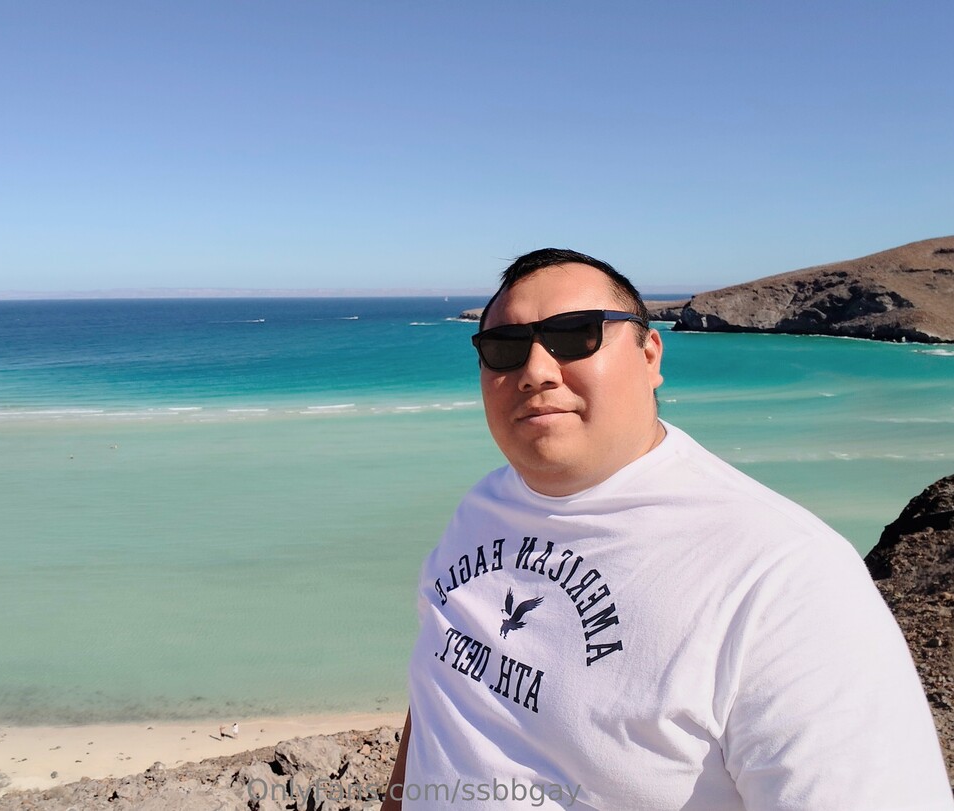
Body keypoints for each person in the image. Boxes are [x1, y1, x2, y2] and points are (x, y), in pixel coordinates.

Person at [383, 249, 952, 810]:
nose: (535, 372)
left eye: (575, 335)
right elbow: (444, 689)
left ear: (650, 354)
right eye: (504, 347)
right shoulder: (482, 507)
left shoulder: (786, 578)